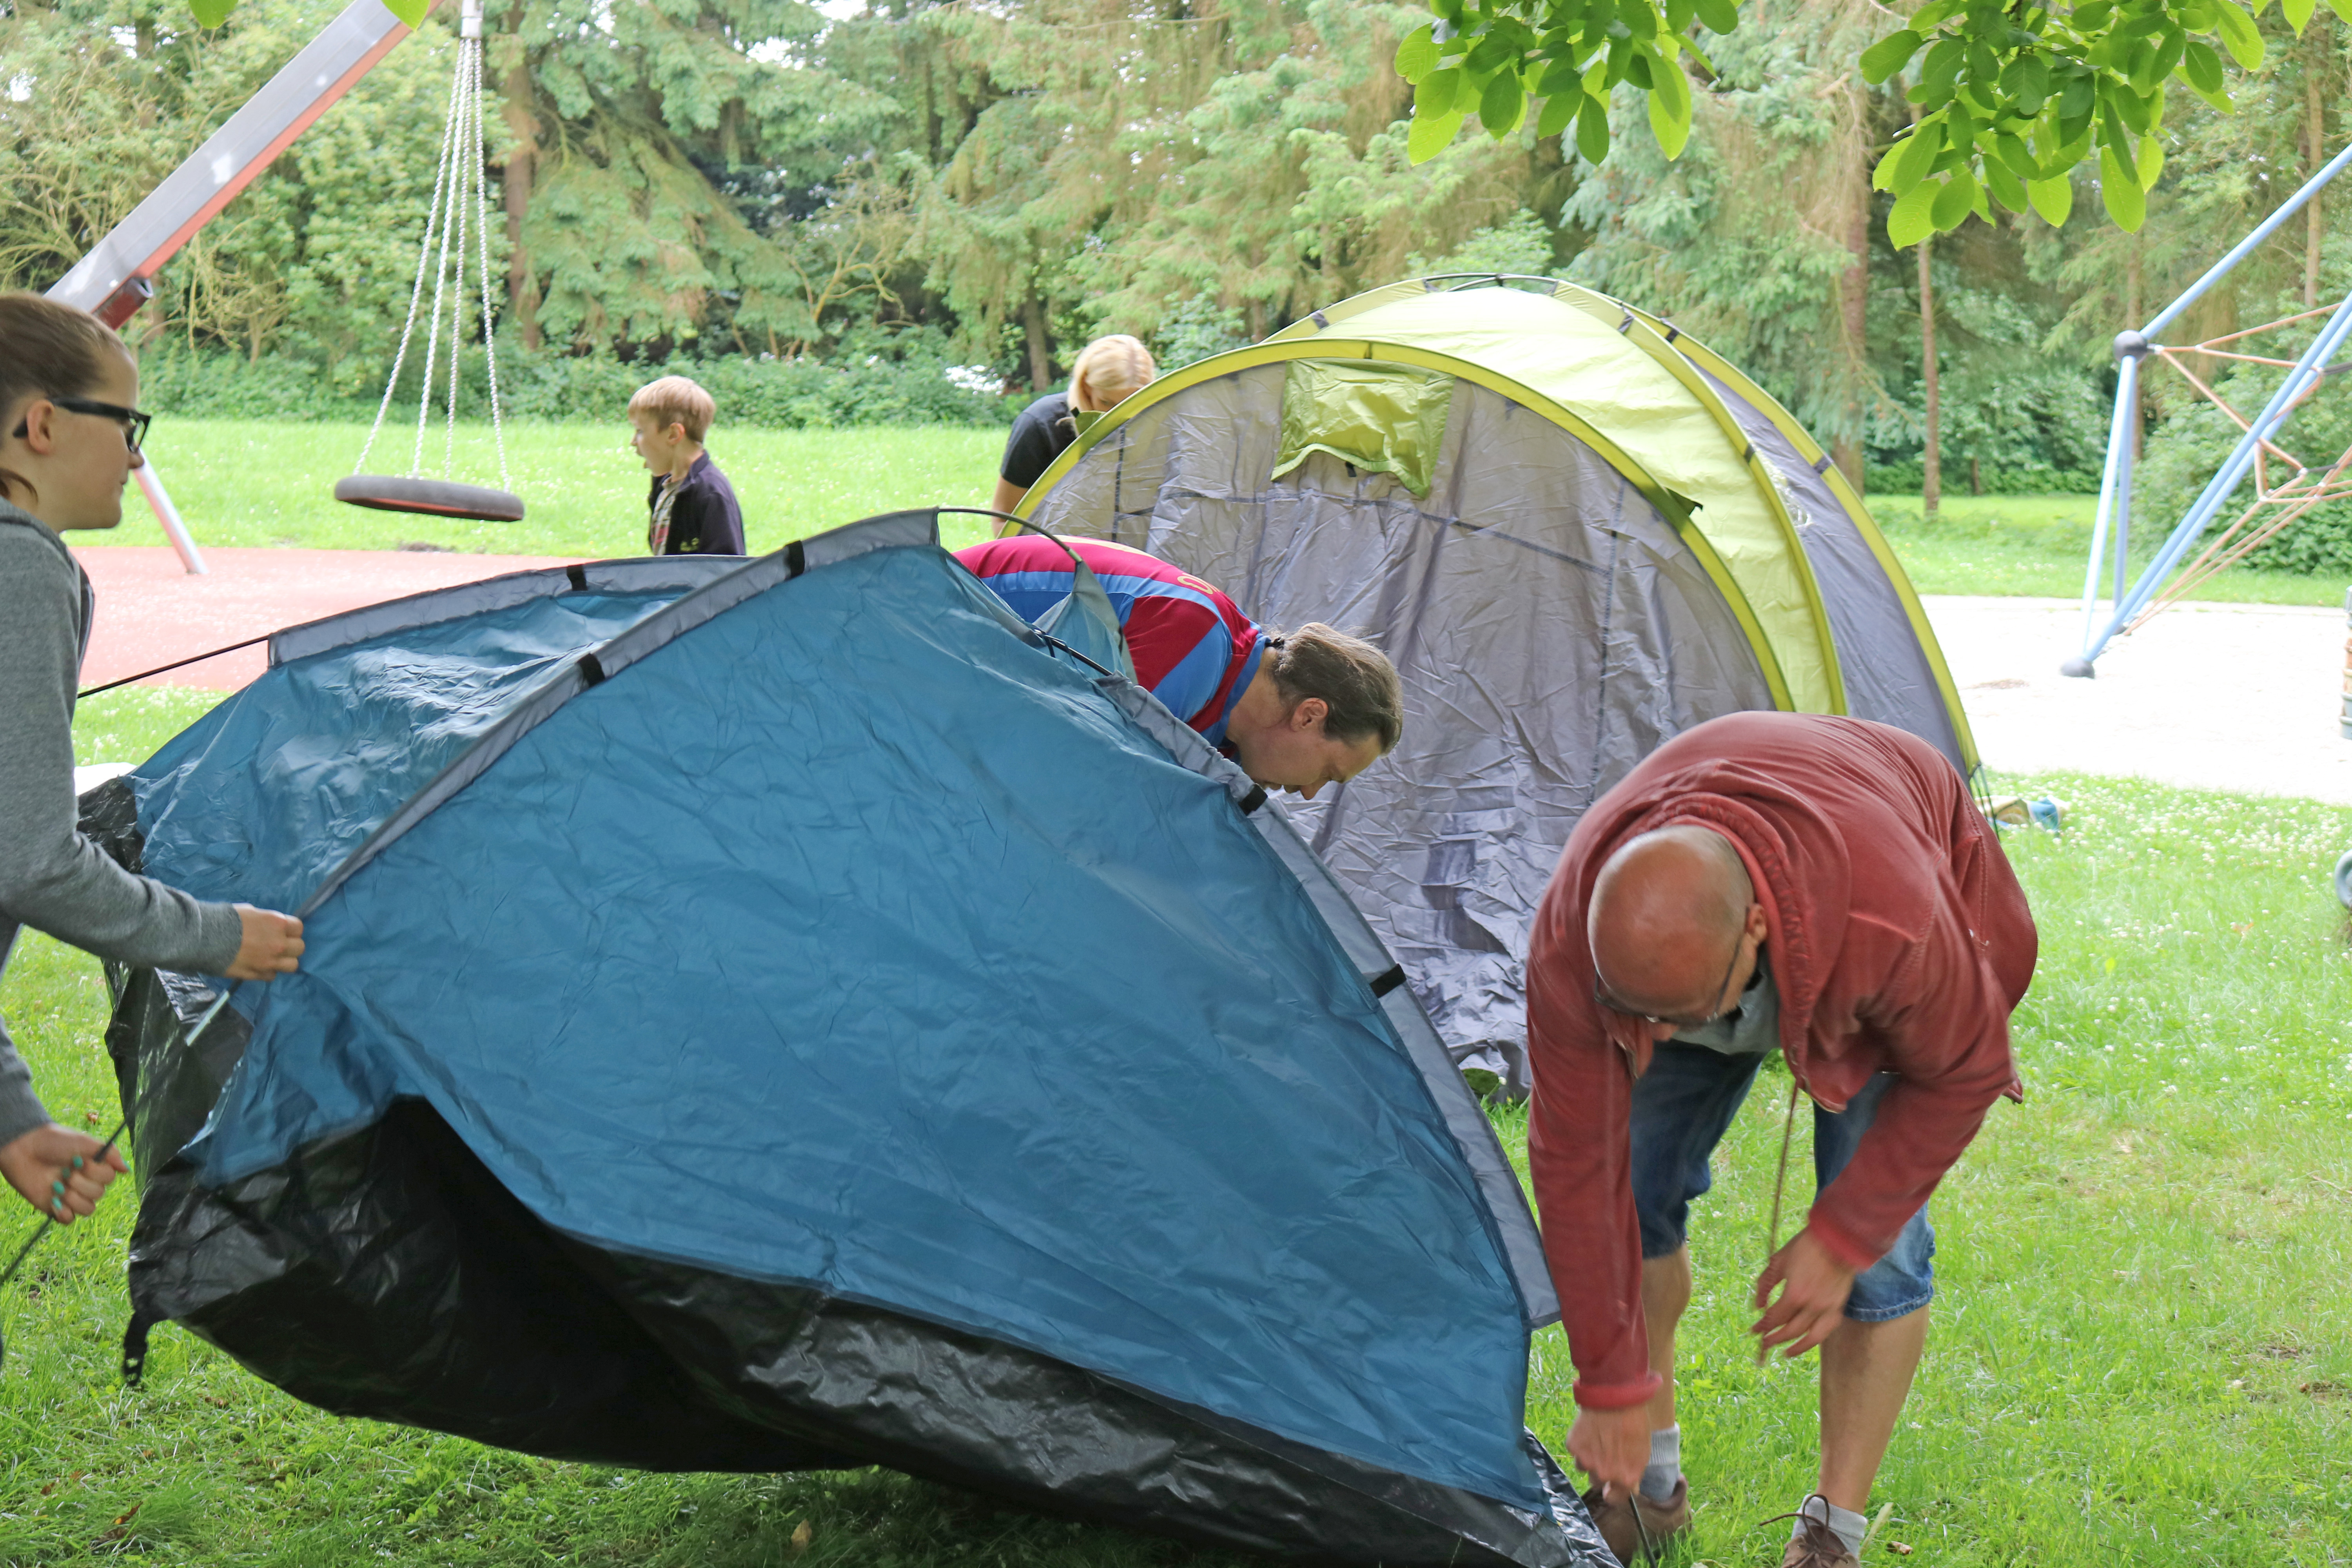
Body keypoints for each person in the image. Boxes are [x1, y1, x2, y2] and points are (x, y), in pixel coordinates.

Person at [1523, 712, 2036, 1568]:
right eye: (1641, 1013)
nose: (1661, 1036)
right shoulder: (1576, 939)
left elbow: (1965, 1067)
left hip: (1856, 896)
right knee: (1635, 1195)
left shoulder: (1892, 919)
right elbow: (1577, 1170)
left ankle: (1834, 1531)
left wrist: (1840, 1239)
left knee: (1881, 1256)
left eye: (1685, 1013)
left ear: (1753, 930)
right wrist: (1608, 1384)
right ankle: (1650, 1492)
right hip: (1700, 939)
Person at [0, 294, 306, 1228]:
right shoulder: (18, 566)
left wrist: (12, 1117)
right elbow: (31, 860)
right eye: (126, 423)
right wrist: (220, 936)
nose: (137, 456)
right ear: (42, 425)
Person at [955, 534, 1399, 801]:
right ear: (1309, 715)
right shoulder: (1197, 644)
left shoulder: (1227, 719)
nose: (1309, 793)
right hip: (931, 615)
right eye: (1328, 773)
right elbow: (1076, 786)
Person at [989, 336, 1156, 520]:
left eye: (1130, 405)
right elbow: (1003, 520)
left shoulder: (1161, 427)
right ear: (1086, 387)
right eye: (1106, 402)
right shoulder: (1039, 425)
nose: (1116, 416)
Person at [628, 375, 744, 556]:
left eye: (640, 431)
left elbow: (727, 567)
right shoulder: (665, 487)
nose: (633, 442)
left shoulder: (711, 494)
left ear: (674, 434)